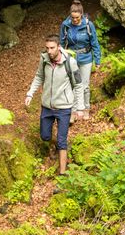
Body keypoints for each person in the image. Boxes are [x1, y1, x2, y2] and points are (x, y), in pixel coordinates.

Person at [25, 34, 84, 175]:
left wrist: (79, 108)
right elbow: (39, 76)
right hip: (47, 106)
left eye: (52, 48)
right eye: (47, 48)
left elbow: (79, 85)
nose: (49, 51)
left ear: (59, 47)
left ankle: (62, 172)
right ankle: (54, 145)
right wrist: (30, 93)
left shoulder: (70, 62)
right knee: (45, 136)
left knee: (62, 141)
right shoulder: (44, 59)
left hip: (64, 107)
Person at [60, 0, 101, 120]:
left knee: (84, 85)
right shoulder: (65, 25)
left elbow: (95, 43)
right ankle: (72, 111)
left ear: (81, 15)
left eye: (77, 18)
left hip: (86, 58)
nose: (75, 20)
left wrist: (97, 60)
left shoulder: (88, 25)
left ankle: (85, 108)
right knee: (72, 84)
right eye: (73, 17)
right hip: (72, 58)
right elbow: (62, 43)